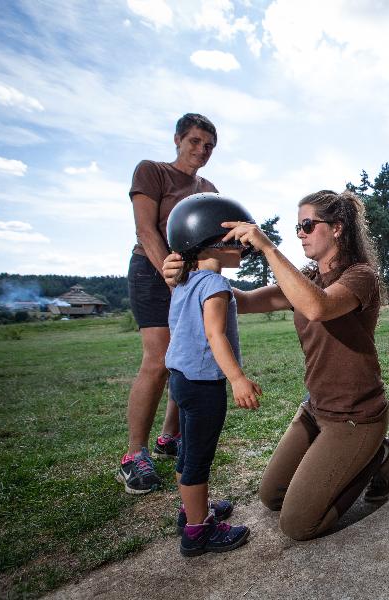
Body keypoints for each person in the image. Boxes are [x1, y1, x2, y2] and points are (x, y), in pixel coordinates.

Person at [163, 189, 389, 541]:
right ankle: (360, 456)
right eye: (297, 228)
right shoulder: (305, 280)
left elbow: (317, 307)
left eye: (307, 225)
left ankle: (378, 456)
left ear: (337, 228)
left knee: (299, 525)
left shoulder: (360, 276)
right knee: (271, 496)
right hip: (316, 409)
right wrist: (189, 274)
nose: (301, 234)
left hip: (356, 415)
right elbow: (240, 302)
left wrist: (269, 248)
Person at [119, 113, 219, 494]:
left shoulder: (208, 186)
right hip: (151, 269)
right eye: (195, 141)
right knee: (159, 359)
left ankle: (169, 437)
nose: (202, 150)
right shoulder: (152, 171)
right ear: (178, 139)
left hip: (189, 277)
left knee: (188, 355)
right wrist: (170, 275)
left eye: (209, 145)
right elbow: (145, 230)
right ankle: (134, 455)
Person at [164, 193, 262, 556]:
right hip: (204, 383)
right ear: (209, 240)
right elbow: (214, 334)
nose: (241, 245)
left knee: (187, 451)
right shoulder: (217, 286)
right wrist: (237, 378)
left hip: (181, 380)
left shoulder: (184, 282)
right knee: (198, 458)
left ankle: (191, 508)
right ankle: (197, 530)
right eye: (234, 239)